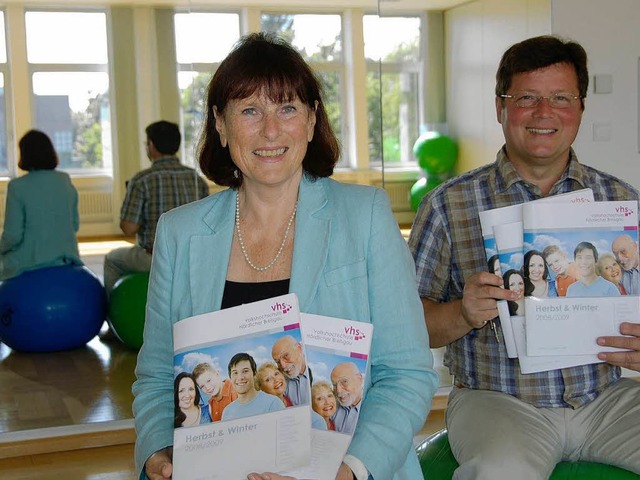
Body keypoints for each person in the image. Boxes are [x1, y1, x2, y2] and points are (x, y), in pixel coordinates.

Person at [132, 32, 437, 480]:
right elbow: (158, 375)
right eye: (250, 110)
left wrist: (348, 471)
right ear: (220, 124)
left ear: (312, 121)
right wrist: (158, 448)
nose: (270, 131)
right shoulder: (180, 233)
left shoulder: (365, 216)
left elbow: (407, 373)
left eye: (288, 108)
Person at [409, 35, 640, 479]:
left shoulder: (619, 200)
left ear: (581, 108)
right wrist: (462, 313)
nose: (543, 113)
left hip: (607, 399)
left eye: (560, 98)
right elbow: (408, 326)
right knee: (501, 470)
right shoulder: (447, 204)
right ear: (501, 108)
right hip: (497, 401)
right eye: (526, 98)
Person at [103, 120, 209, 296]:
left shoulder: (142, 179)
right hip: (192, 256)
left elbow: (128, 228)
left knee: (112, 260)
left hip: (154, 258)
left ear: (151, 145)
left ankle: (112, 312)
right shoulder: (196, 178)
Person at [0, 130, 82, 280]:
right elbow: (75, 225)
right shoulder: (65, 181)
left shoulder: (17, 187)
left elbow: (13, 236)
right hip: (68, 259)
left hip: (29, 263)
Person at [220, 353, 285, 422]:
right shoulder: (227, 412)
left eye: (245, 371)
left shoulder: (273, 403)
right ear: (230, 377)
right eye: (235, 373)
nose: (240, 377)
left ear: (254, 374)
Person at [271, 335, 311, 406]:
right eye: (277, 362)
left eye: (286, 356)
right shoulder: (280, 383)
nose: (283, 366)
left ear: (299, 348)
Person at [330, 362, 364, 436]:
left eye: (344, 381)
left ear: (359, 379)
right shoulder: (331, 407)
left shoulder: (374, 409)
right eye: (334, 385)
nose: (338, 390)